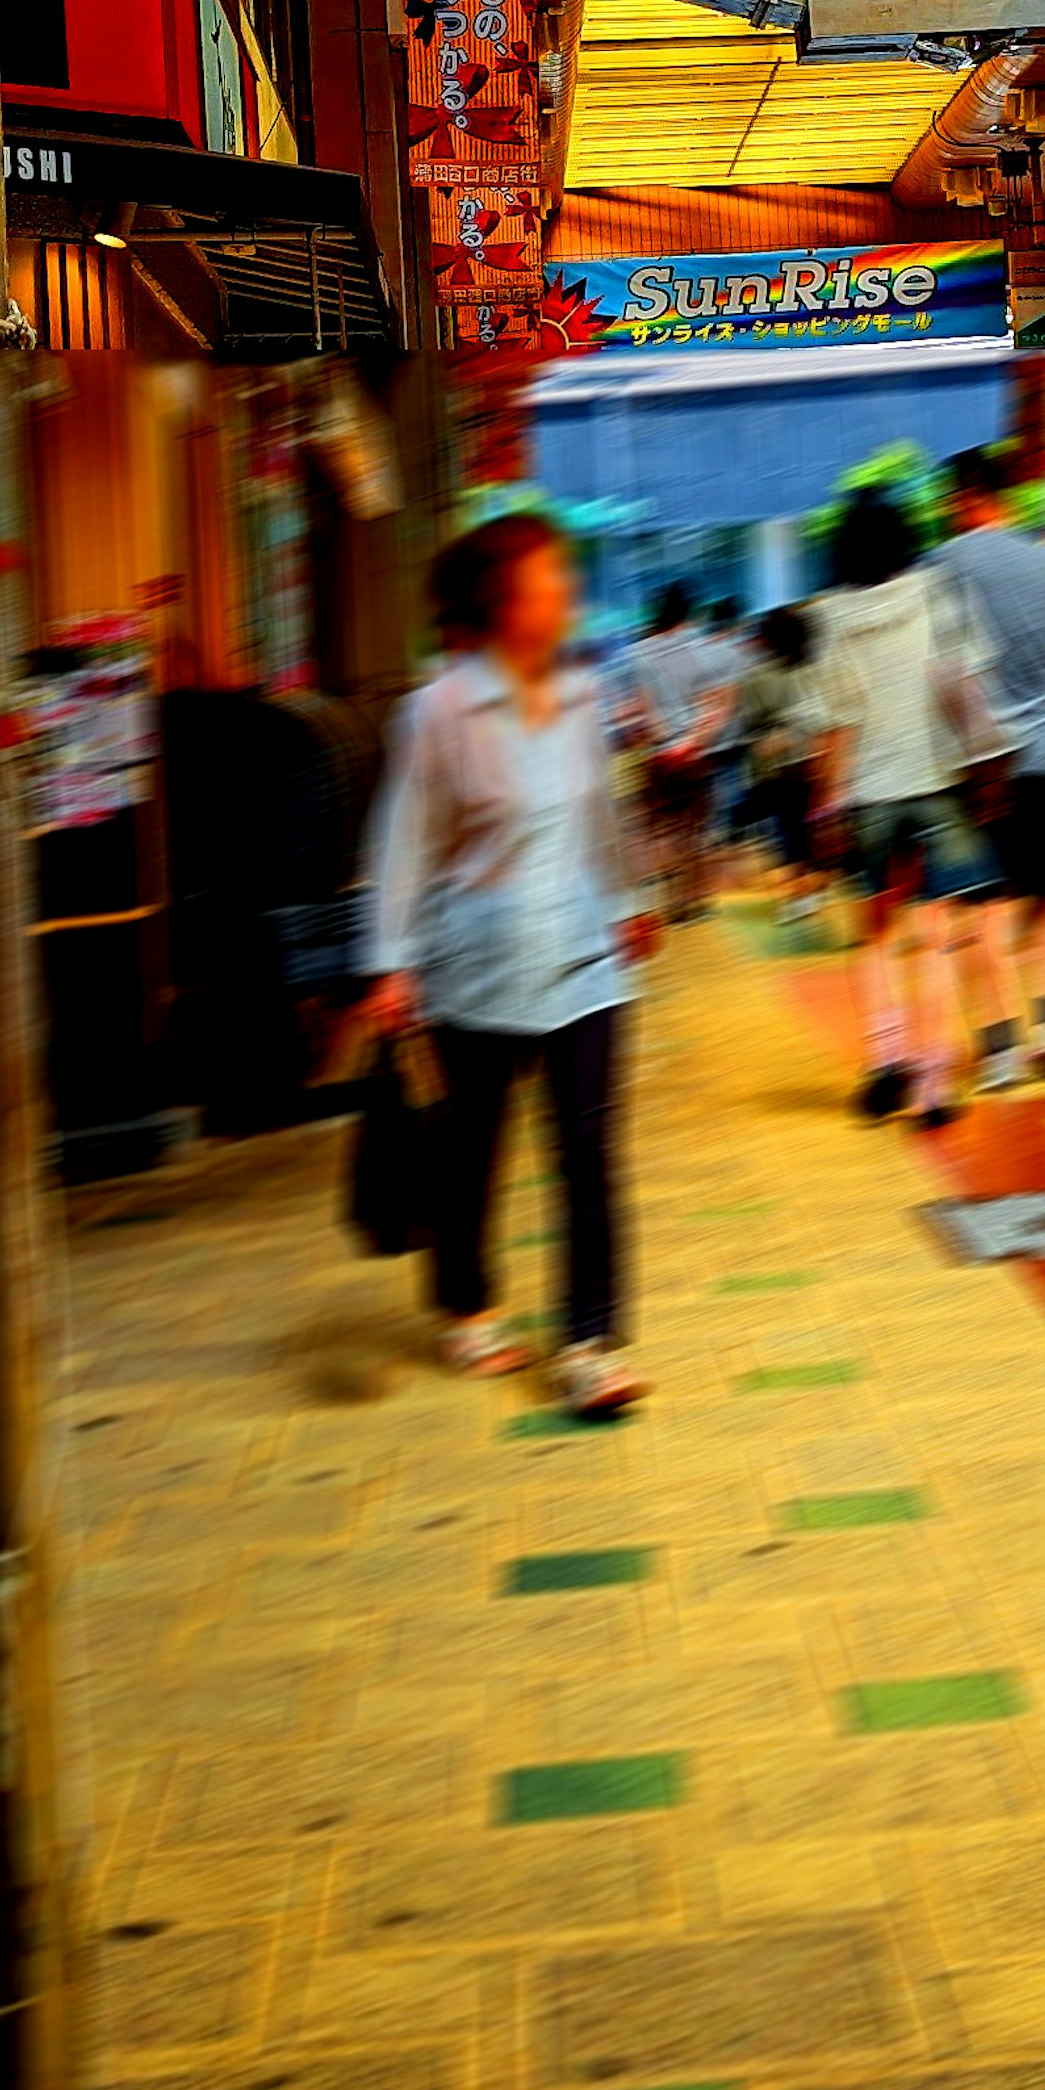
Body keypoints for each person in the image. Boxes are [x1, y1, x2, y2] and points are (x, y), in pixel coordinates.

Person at [362, 506, 651, 1417]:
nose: (565, 591)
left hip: (583, 957)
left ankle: (589, 1343)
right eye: (547, 580)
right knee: (471, 1151)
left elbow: (601, 812)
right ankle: (467, 1303)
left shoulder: (577, 693)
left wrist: (633, 900)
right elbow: (405, 843)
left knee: (589, 1152)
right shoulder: (439, 709)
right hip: (474, 967)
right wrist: (389, 963)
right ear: (502, 604)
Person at [805, 485, 1001, 1129]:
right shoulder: (939, 593)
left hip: (867, 793)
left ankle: (883, 1062)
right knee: (939, 938)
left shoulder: (829, 616)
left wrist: (826, 801)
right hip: (941, 783)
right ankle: (934, 1085)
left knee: (876, 936)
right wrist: (986, 756)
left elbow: (836, 719)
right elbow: (963, 686)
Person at [936, 442, 1045, 1080]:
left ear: (963, 498)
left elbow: (942, 675)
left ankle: (1002, 1051)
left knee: (985, 908)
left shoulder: (936, 570)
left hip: (983, 768)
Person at [618, 582, 740, 921]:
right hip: (696, 755)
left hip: (659, 756)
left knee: (665, 832)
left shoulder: (639, 654)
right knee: (697, 833)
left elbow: (641, 709)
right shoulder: (707, 650)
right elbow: (720, 705)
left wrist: (657, 740)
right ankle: (696, 901)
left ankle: (673, 902)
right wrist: (695, 741)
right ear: (689, 611)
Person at [730, 604, 826, 935]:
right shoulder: (820, 669)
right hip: (818, 755)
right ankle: (810, 889)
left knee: (786, 830)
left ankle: (795, 897)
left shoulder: (756, 677)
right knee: (809, 826)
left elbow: (750, 724)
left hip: (776, 764)